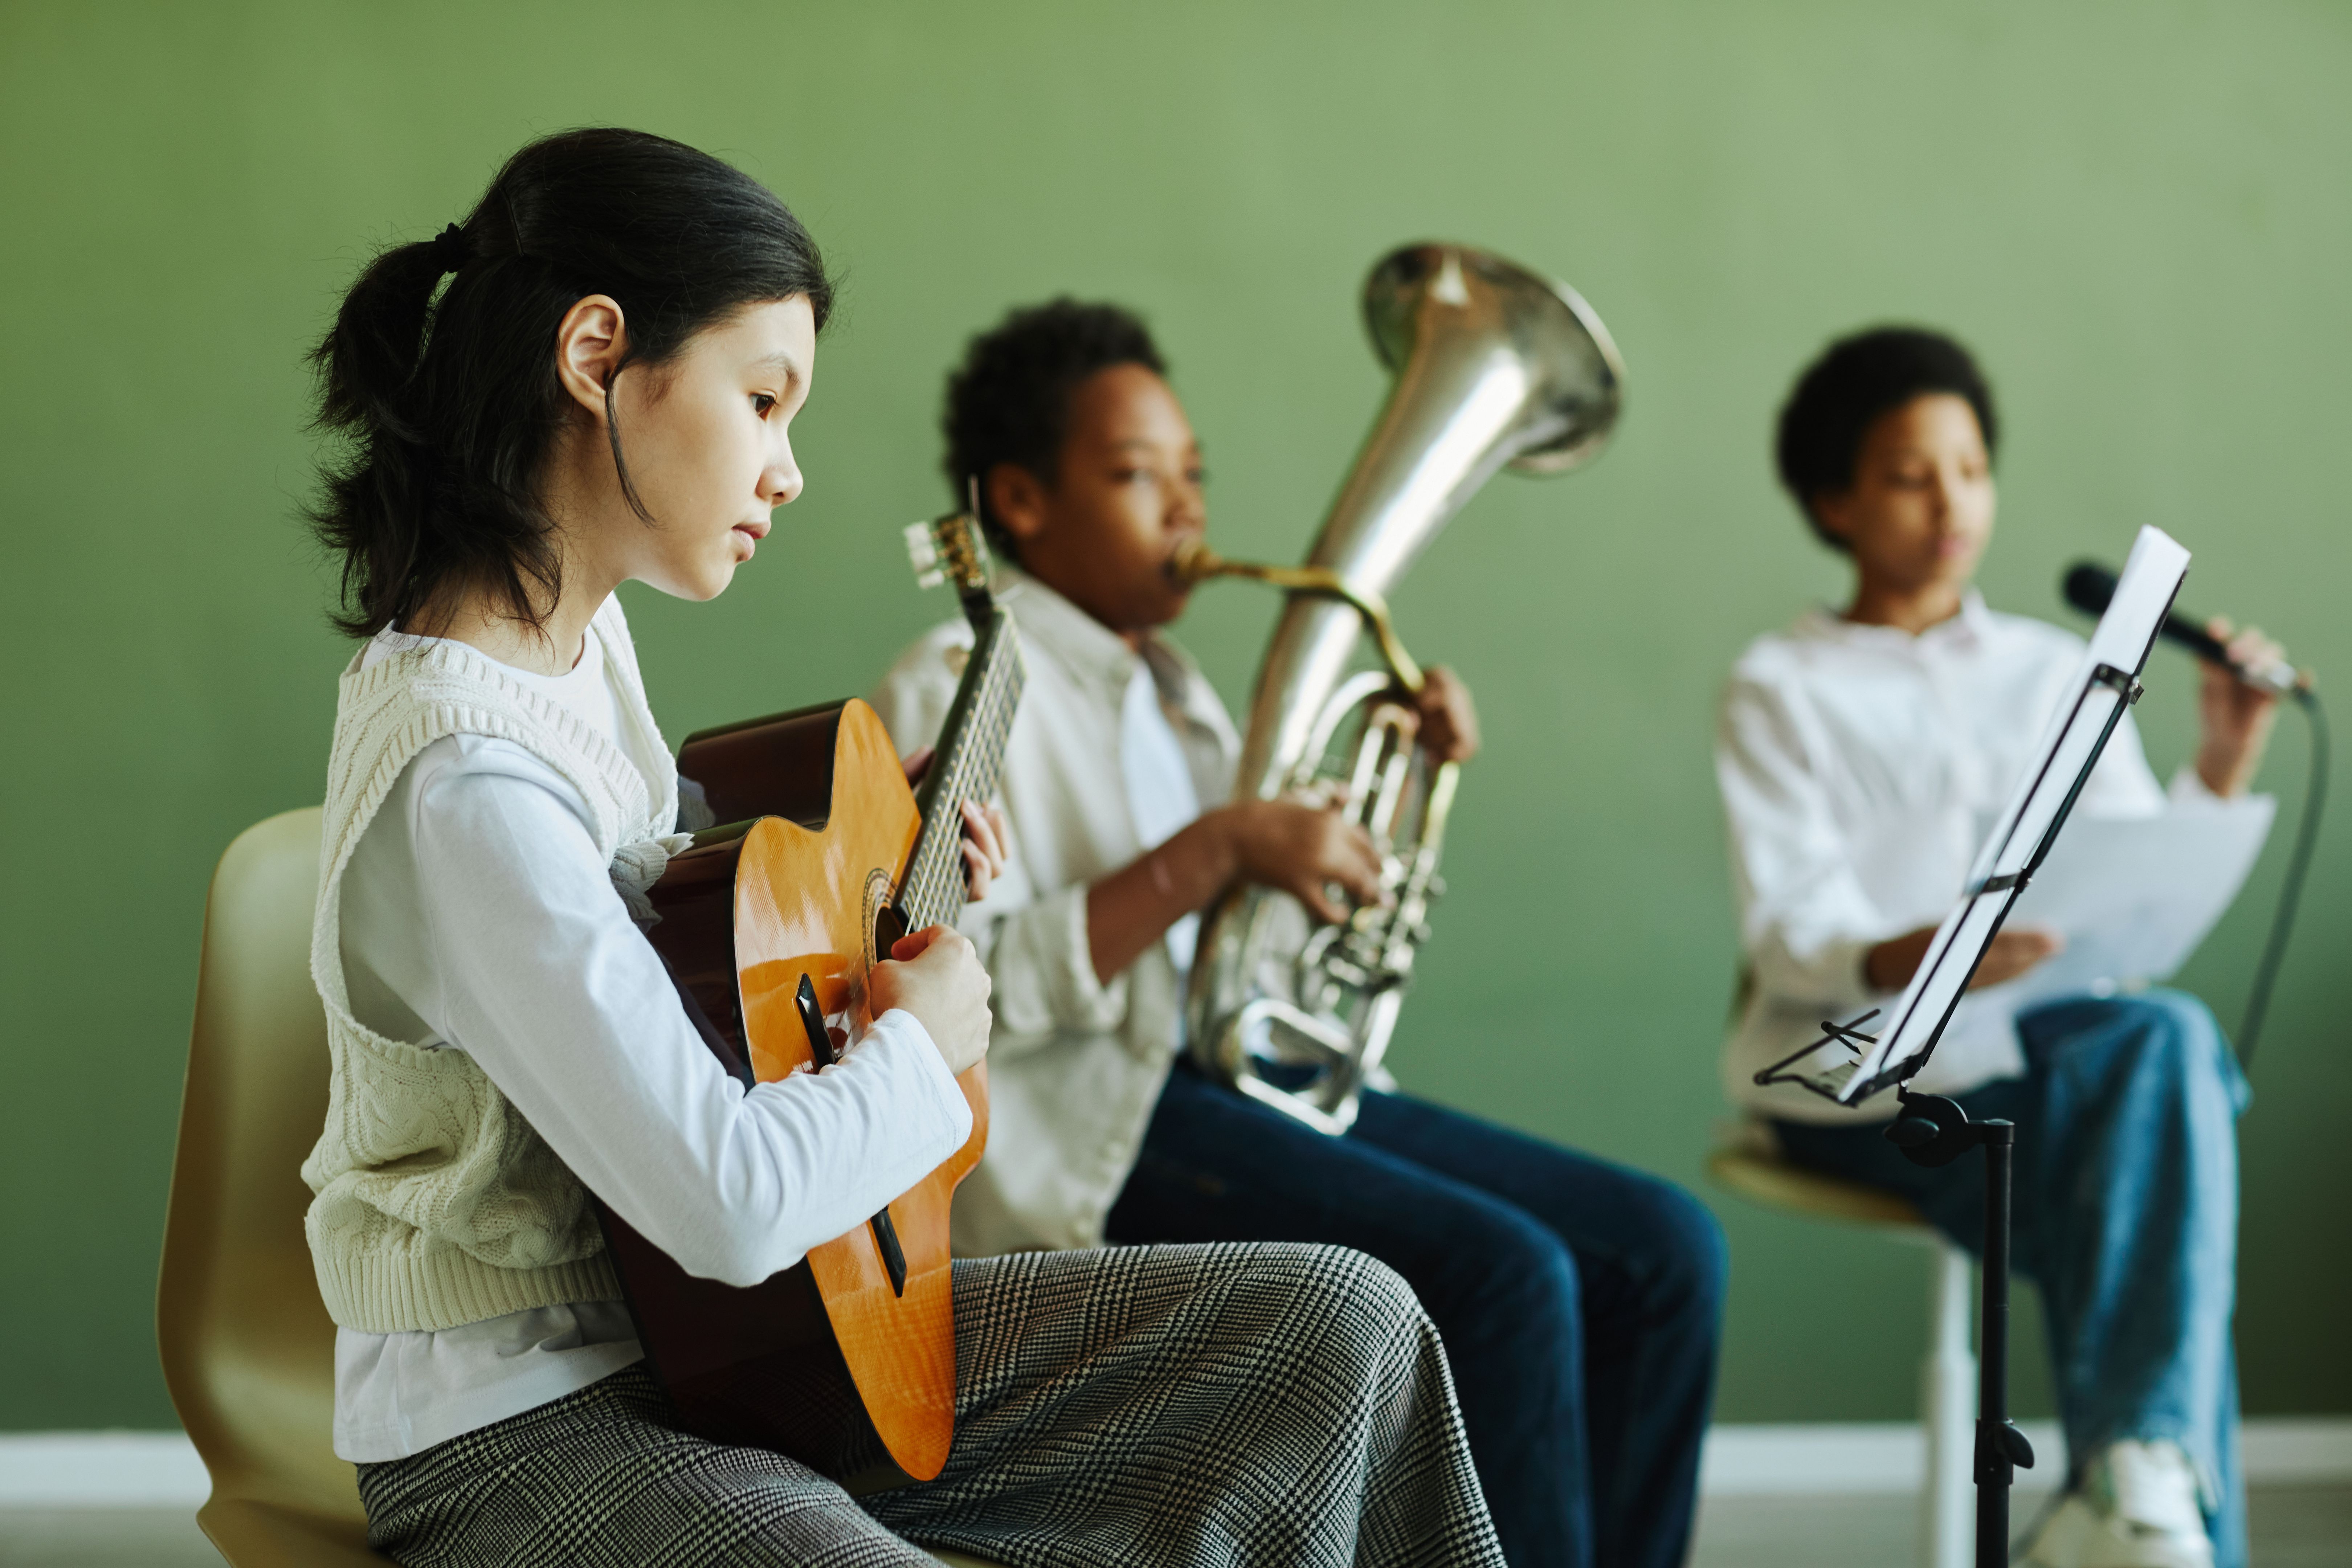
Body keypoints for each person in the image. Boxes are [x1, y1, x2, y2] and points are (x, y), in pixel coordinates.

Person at [299, 128, 1506, 1568]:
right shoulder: (461, 779)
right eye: (763, 399)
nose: (788, 469)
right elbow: (731, 1203)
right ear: (597, 352)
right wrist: (922, 1046)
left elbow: (657, 926)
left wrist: (879, 848)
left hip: (722, 1347)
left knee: (1338, 1328)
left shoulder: (573, 639)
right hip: (521, 1425)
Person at [871, 299, 1726, 1568]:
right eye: (1135, 476)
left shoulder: (1177, 695)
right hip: (1099, 1130)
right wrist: (1219, 850)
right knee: (1506, 1277)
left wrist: (1362, 817)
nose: (1186, 510)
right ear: (1023, 502)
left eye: (1194, 475)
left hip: (1227, 1088)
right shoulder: (956, 675)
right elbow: (947, 985)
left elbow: (1241, 963)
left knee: (1666, 1249)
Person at [1716, 326, 2286, 1568]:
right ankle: (2141, 1502)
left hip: (2051, 1071)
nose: (1951, 502)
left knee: (2165, 1046)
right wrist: (1926, 953)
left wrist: (2226, 758)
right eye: (1911, 475)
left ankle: (2133, 1494)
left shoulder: (2053, 672)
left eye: (1970, 469)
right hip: (1867, 1086)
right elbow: (1789, 929)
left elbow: (2141, 889)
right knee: (2165, 1177)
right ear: (1834, 501)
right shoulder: (1782, 686)